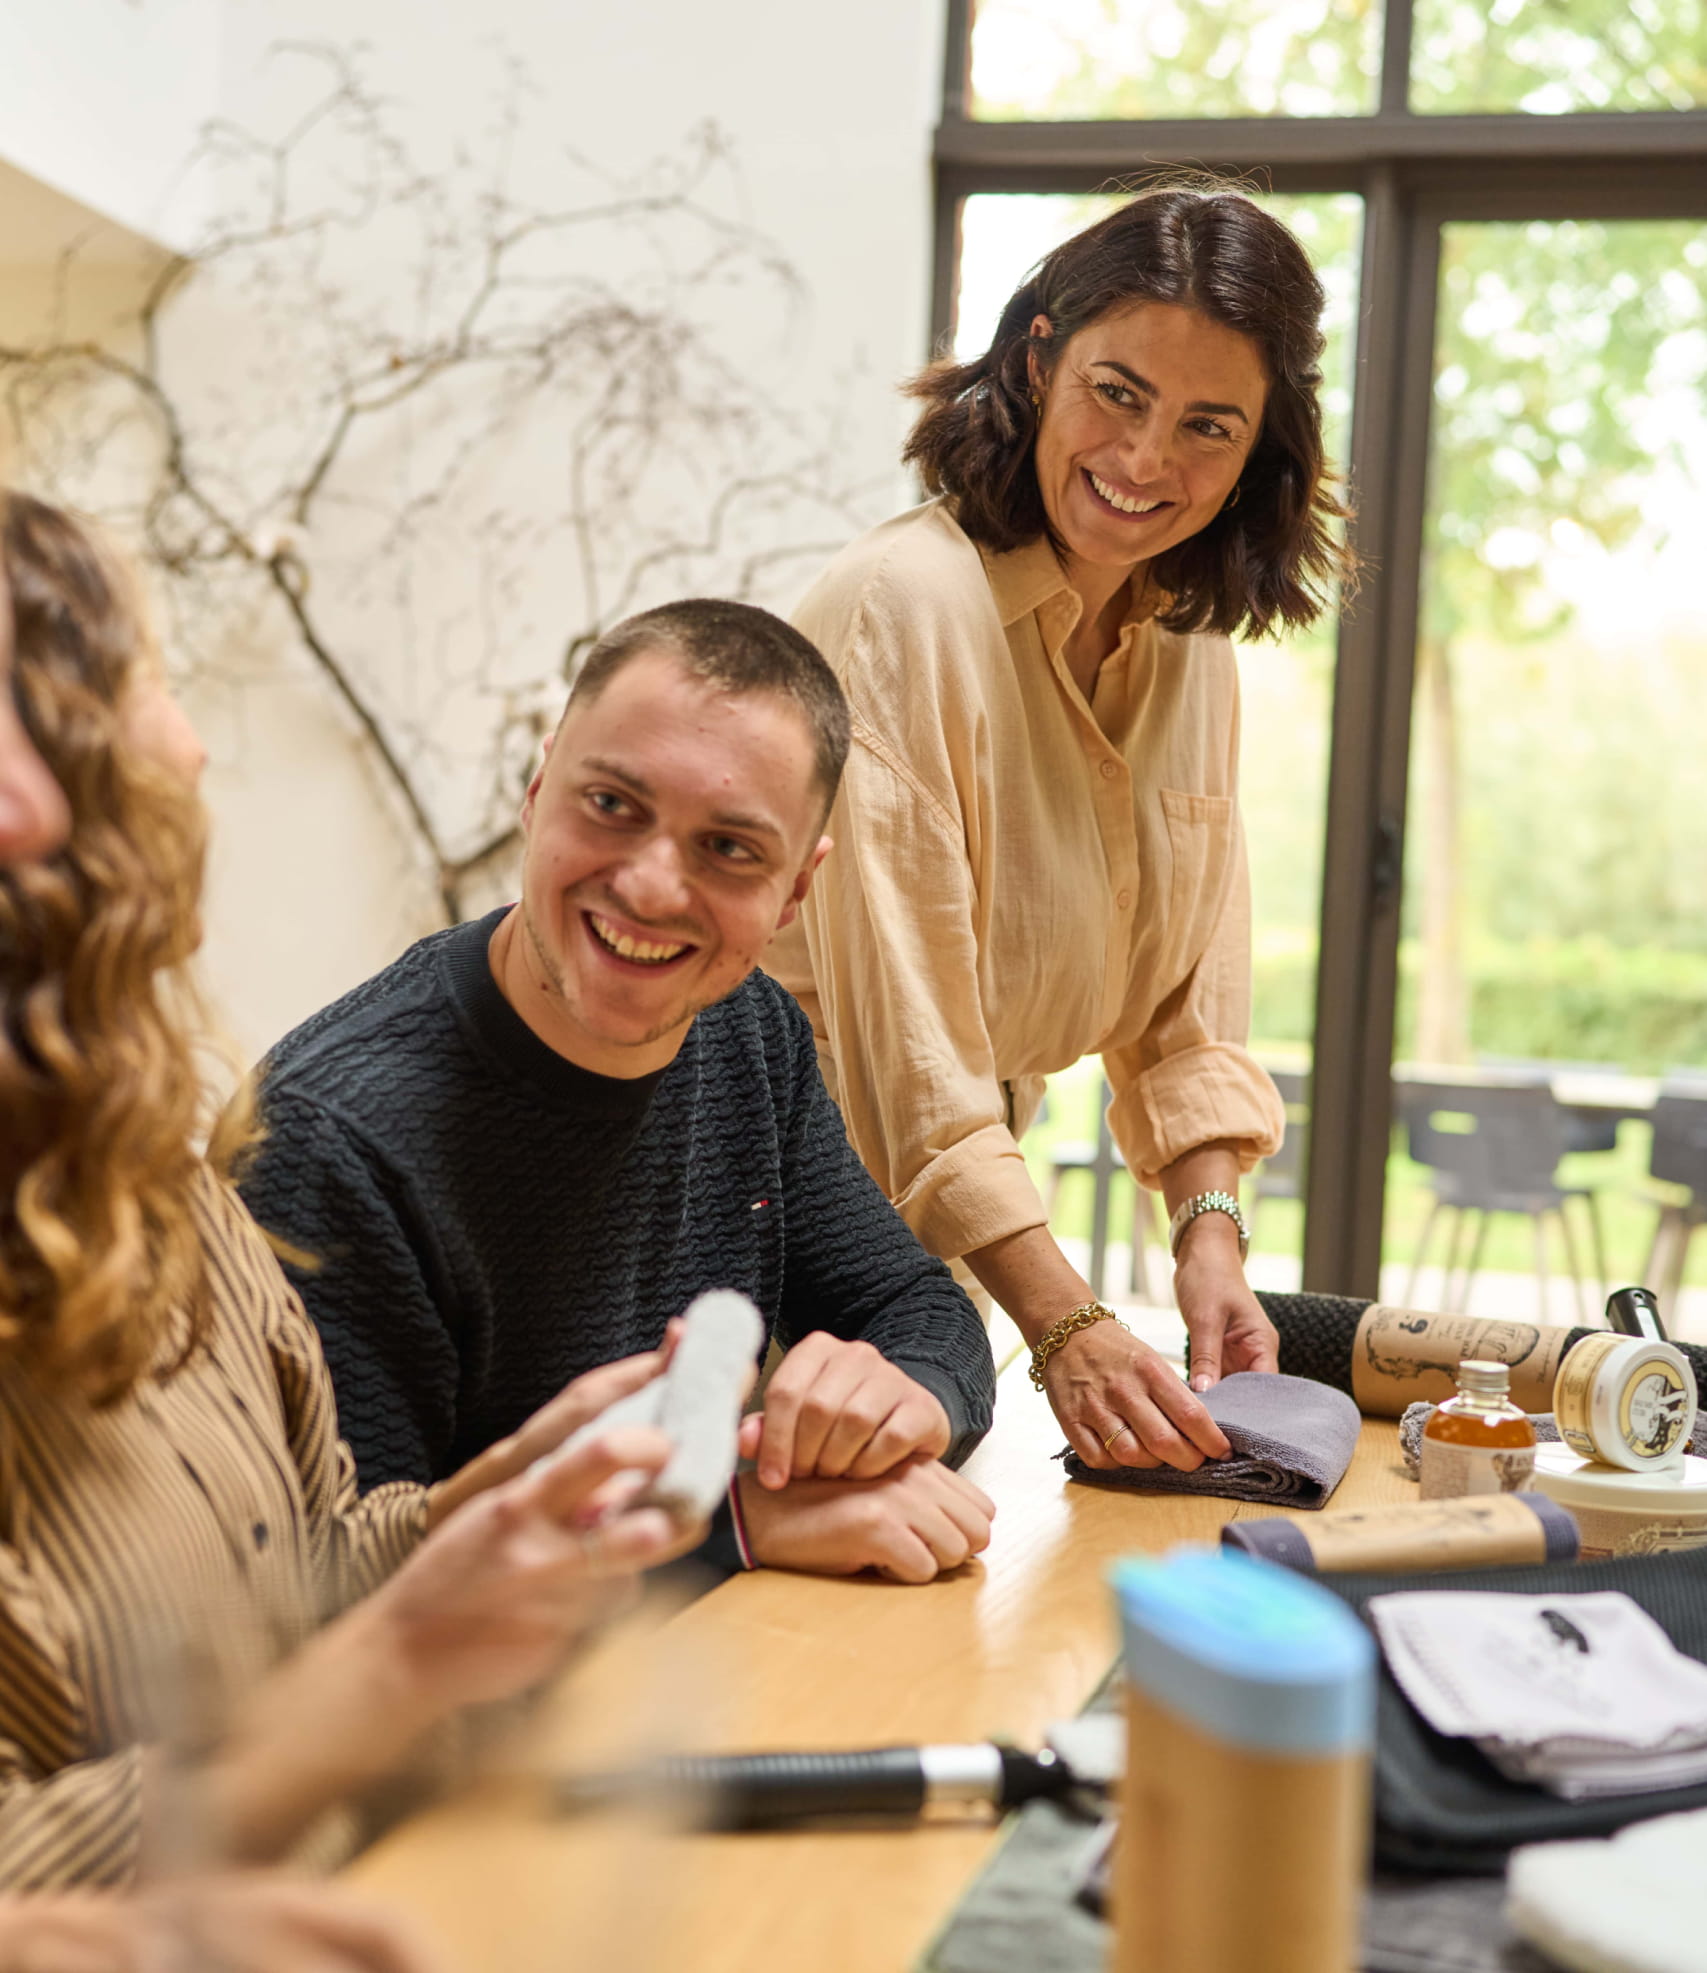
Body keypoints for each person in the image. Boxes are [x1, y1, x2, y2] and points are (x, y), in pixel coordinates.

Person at [0, 491, 702, 1898]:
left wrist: (486, 1517)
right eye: (149, 683)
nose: (193, 742)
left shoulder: (158, 1167)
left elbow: (305, 1555)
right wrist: (398, 1662)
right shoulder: (333, 1117)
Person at [765, 185, 1356, 1477]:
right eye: (1117, 392)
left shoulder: (1187, 643)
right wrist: (1065, 1320)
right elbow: (907, 1056)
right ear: (1038, 361)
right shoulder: (904, 608)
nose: (1146, 460)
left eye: (1208, 425)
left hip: (933, 1249)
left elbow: (1184, 1010)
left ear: (1261, 448)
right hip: (764, 1220)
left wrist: (1207, 1233)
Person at [236, 600, 998, 1587]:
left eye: (729, 847)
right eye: (611, 805)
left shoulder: (750, 1031)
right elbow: (321, 1593)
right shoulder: (327, 1137)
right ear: (539, 784)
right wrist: (723, 1522)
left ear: (798, 889)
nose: (649, 885)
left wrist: (899, 1400)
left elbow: (918, 1308)